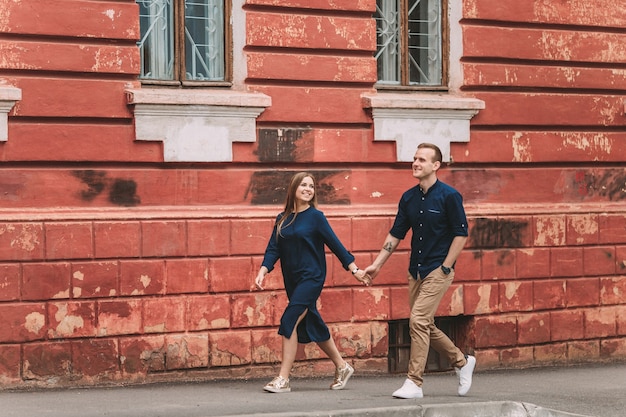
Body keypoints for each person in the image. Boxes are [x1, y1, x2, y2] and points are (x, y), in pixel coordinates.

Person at [363, 143, 476, 399]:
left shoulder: (449, 196)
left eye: (422, 160)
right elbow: (396, 234)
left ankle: (414, 382)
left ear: (436, 165)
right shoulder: (408, 198)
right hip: (416, 270)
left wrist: (447, 266)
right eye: (414, 159)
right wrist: (377, 264)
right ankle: (462, 361)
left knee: (418, 321)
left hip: (439, 268)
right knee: (423, 323)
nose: (416, 163)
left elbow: (461, 234)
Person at [254, 172, 370, 393]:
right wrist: (263, 270)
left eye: (311, 186)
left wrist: (354, 269)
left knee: (289, 320)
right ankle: (343, 366)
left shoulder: (316, 217)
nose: (308, 188)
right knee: (312, 323)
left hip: (312, 277)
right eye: (304, 185)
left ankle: (283, 379)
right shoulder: (282, 218)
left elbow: (336, 245)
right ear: (294, 188)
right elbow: (273, 248)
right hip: (293, 280)